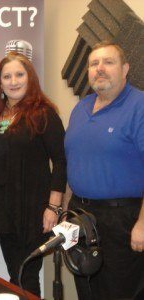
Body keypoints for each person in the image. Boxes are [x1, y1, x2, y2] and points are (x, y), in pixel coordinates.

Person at [0, 52, 67, 296]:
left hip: (33, 213)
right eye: (7, 76)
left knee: (26, 275)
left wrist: (53, 207)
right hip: (3, 212)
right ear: (0, 83)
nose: (13, 81)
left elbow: (60, 160)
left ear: (30, 78)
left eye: (19, 74)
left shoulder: (44, 113)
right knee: (15, 273)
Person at [65, 41, 144, 300]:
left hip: (123, 220)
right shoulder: (81, 108)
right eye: (93, 64)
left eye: (108, 62)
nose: (99, 69)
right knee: (86, 289)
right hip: (81, 216)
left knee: (119, 293)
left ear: (125, 69)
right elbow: (72, 161)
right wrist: (66, 214)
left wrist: (143, 224)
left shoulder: (139, 106)